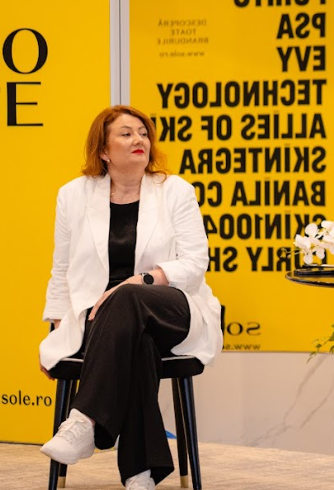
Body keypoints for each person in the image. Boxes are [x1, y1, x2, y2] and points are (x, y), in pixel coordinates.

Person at [38, 105, 222, 490]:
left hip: (172, 306)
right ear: (103, 150)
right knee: (138, 344)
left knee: (127, 298)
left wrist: (142, 280)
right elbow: (62, 267)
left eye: (143, 133)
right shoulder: (73, 195)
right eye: (126, 133)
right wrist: (58, 331)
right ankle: (141, 473)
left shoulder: (175, 190)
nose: (139, 139)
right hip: (104, 322)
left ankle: (84, 419)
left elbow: (195, 262)